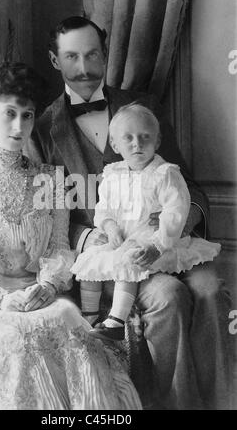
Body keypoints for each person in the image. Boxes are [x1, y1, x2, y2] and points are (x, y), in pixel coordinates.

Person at [30, 16, 232, 410]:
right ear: (56, 61)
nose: (84, 67)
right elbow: (50, 216)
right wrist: (101, 236)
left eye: (92, 54)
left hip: (173, 239)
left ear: (105, 55)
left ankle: (222, 403)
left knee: (209, 290)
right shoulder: (42, 129)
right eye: (72, 57)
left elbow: (188, 186)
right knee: (168, 295)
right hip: (113, 256)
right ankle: (175, 404)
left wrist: (178, 222)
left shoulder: (143, 107)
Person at [0, 62, 142, 410]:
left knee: (70, 326)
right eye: (9, 114)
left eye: (28, 115)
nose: (19, 126)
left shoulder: (52, 179)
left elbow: (61, 249)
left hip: (41, 295)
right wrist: (1, 299)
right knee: (18, 340)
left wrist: (48, 285)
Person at [71, 103, 221, 341]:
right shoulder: (112, 173)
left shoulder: (166, 173)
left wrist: (158, 245)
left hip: (155, 240)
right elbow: (104, 209)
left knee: (130, 262)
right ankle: (89, 319)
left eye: (145, 137)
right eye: (128, 138)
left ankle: (117, 321)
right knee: (89, 263)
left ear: (157, 141)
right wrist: (109, 227)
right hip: (121, 237)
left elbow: (175, 212)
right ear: (115, 144)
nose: (137, 144)